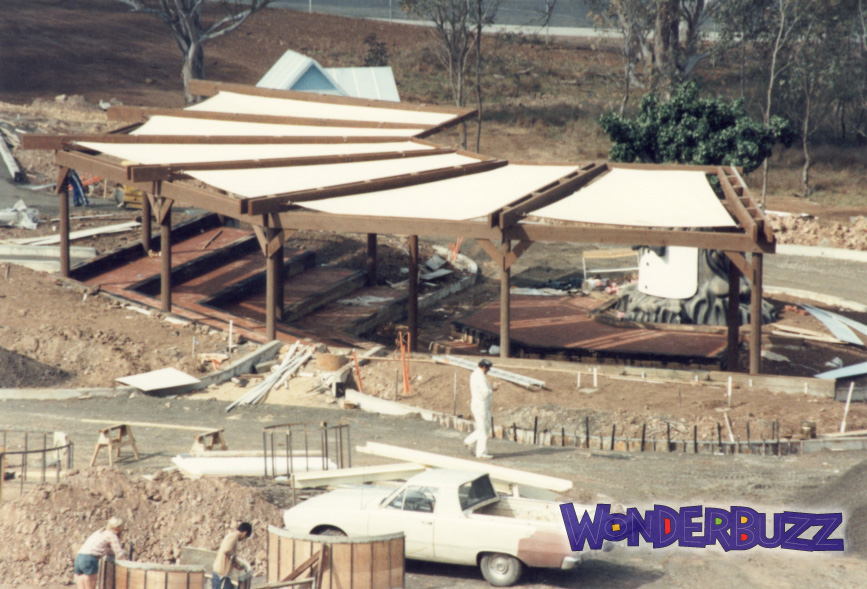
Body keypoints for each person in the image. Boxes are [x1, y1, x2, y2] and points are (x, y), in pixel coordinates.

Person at [74, 517, 125, 589]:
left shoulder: (101, 531)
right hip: (89, 559)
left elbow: (102, 548)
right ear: (118, 527)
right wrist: (126, 563)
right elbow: (119, 554)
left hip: (79, 557)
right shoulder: (112, 535)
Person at [463, 358, 497, 459]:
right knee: (484, 429)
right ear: (484, 367)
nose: (489, 370)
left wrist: (490, 387)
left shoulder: (476, 374)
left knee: (484, 428)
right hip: (481, 405)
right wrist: (492, 390)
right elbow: (484, 393)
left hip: (478, 404)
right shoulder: (480, 376)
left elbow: (482, 388)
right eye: (488, 368)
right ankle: (481, 452)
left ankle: (469, 441)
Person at [211, 522, 252, 589]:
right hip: (221, 576)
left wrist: (235, 563)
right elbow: (226, 550)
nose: (243, 539)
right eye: (245, 537)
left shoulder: (232, 536)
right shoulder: (233, 537)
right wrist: (233, 558)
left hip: (221, 575)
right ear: (245, 533)